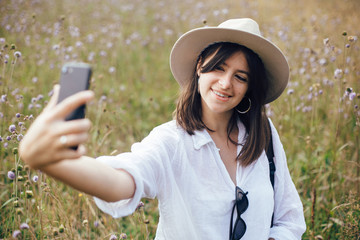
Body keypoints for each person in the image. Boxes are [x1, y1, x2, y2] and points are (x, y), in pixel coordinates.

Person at [19, 18, 306, 239]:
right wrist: (55, 163)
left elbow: (289, 218)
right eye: (218, 68)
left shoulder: (264, 134)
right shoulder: (171, 141)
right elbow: (120, 183)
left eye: (240, 77)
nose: (225, 83)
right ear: (199, 67)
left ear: (249, 88)